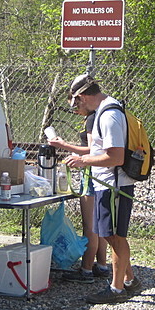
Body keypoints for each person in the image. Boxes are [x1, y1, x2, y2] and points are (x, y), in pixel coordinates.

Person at [63, 74, 142, 304]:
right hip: (106, 184)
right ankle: (130, 280)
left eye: (77, 101)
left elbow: (115, 157)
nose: (77, 106)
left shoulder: (109, 116)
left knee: (115, 236)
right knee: (110, 234)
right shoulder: (105, 112)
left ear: (84, 96)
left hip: (113, 185)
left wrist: (83, 161)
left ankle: (117, 290)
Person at [47, 103, 110, 283]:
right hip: (102, 174)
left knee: (90, 225)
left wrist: (63, 145)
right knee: (99, 224)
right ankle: (102, 265)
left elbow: (92, 150)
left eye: (76, 105)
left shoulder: (92, 119)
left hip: (91, 174)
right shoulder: (103, 116)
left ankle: (86, 270)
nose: (75, 110)